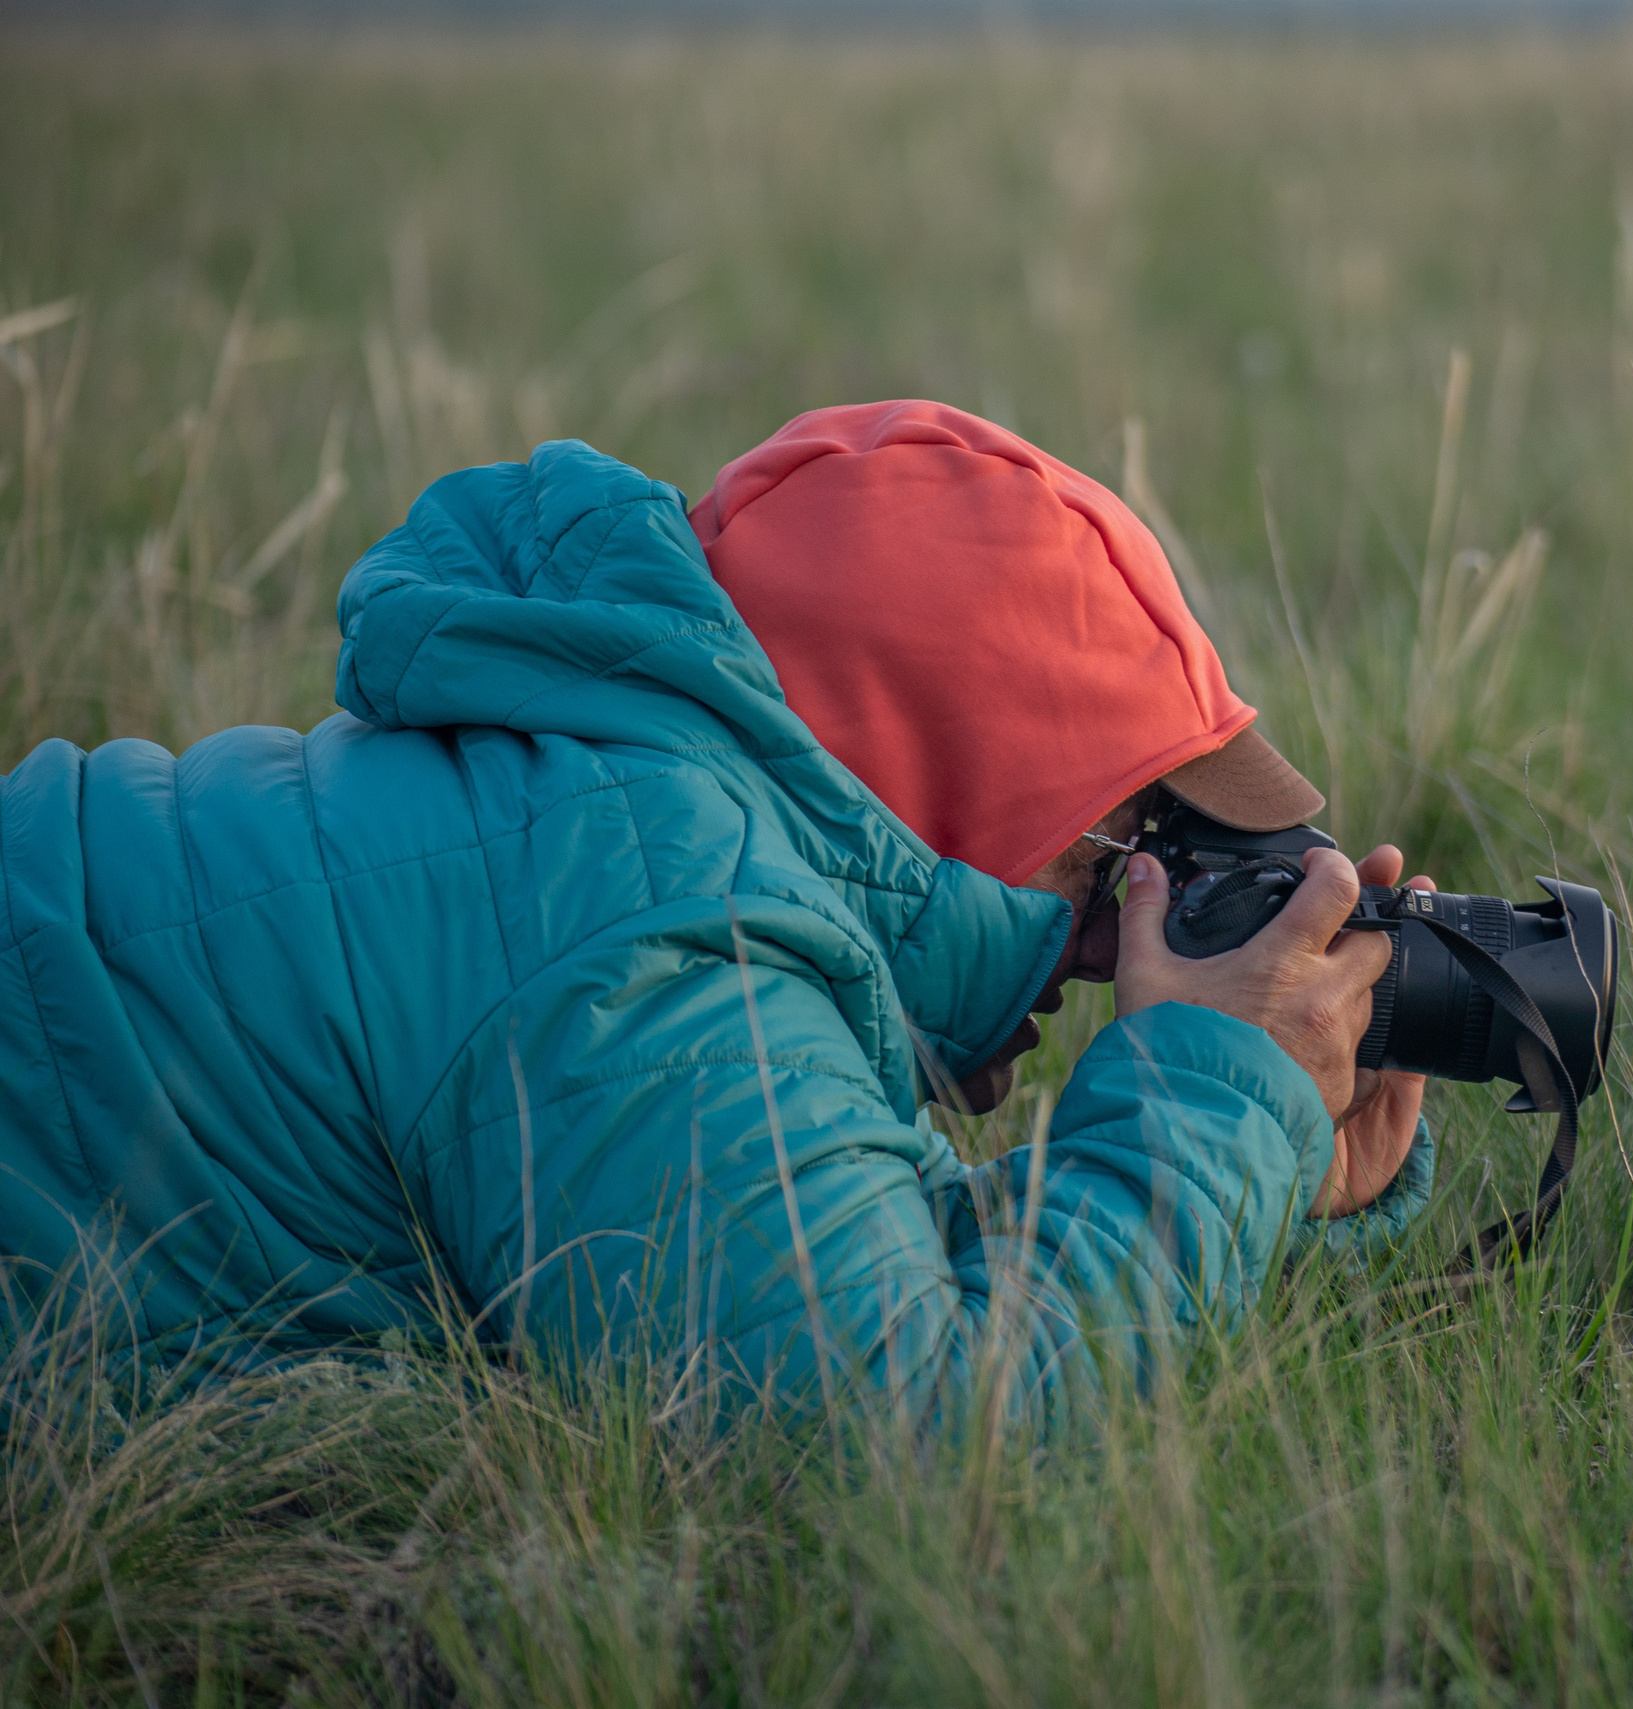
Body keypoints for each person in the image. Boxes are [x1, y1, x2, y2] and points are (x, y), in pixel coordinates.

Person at [0, 400, 1433, 1424]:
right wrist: (1214, 1102)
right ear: (925, 796)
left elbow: (806, 1239)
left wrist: (1271, 1156)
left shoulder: (617, 802)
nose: (1119, 940)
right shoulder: (661, 931)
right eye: (1110, 859)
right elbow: (896, 1434)